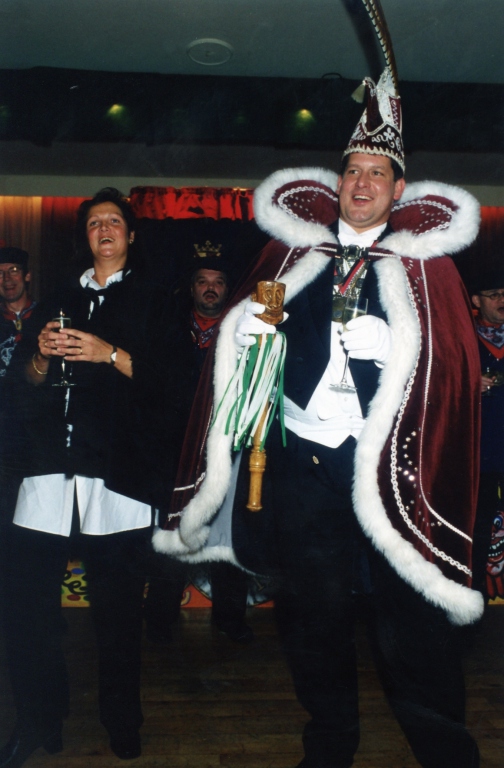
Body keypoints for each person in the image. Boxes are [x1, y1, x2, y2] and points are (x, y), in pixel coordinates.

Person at [152, 68, 483, 768]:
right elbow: (256, 330)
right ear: (338, 182)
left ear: (399, 189)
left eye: (377, 173)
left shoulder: (428, 270)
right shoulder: (290, 254)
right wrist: (245, 335)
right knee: (313, 620)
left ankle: (445, 753)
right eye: (352, 170)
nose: (362, 182)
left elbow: (454, 368)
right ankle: (328, 747)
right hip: (303, 463)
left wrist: (396, 349)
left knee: (410, 626)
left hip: (389, 466)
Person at [0, 188, 163, 767]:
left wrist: (107, 353)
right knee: (26, 609)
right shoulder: (57, 299)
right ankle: (38, 721)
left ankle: (122, 721)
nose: (104, 229)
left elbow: (171, 382)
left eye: (114, 221)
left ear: (131, 235)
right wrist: (41, 359)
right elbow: (20, 384)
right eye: (94, 223)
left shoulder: (155, 299)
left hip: (116, 474)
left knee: (118, 615)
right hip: (47, 472)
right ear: (85, 237)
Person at [144, 257, 253, 644]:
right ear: (191, 289)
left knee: (227, 532)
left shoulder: (242, 332)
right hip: (176, 448)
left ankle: (230, 618)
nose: (210, 288)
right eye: (203, 281)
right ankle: (160, 619)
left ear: (228, 289)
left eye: (218, 282)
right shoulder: (168, 330)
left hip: (226, 446)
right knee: (173, 529)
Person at [0, 248, 38, 608]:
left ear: (27, 275)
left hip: (39, 440)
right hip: (2, 441)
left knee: (37, 528)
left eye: (13, 270)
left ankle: (39, 609)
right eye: (0, 272)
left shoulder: (47, 318)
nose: (7, 278)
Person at [471, 271, 504, 598]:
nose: (501, 300)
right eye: (493, 294)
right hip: (481, 451)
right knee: (479, 526)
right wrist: (468, 382)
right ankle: (477, 594)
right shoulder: (463, 337)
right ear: (476, 301)